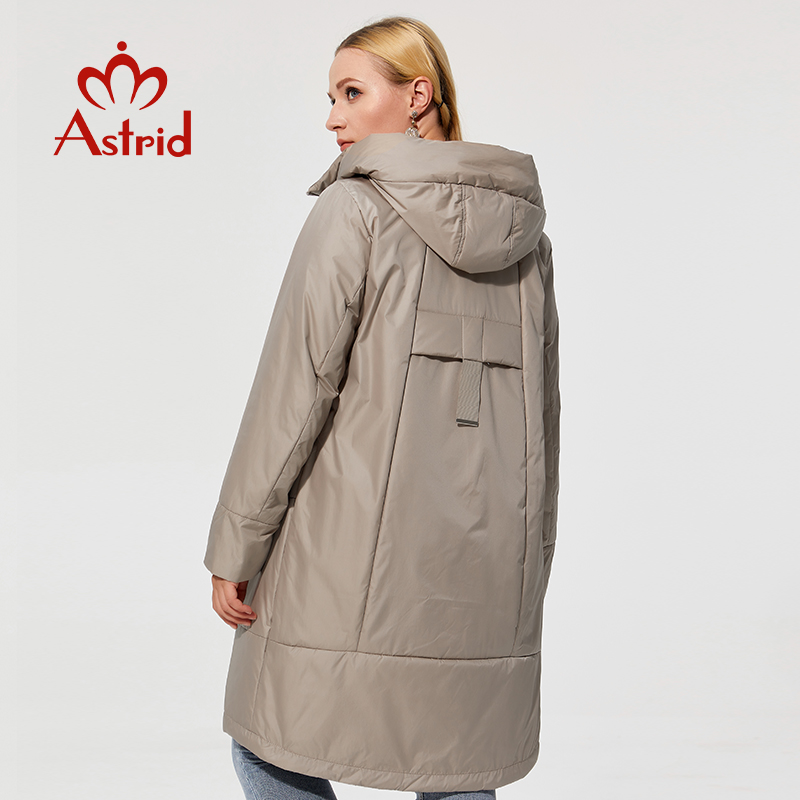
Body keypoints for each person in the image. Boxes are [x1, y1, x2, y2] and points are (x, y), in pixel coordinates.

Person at [204, 15, 560, 800]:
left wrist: (238, 543)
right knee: (458, 766)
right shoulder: (527, 241)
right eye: (332, 98)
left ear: (417, 96)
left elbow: (295, 392)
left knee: (268, 747)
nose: (333, 117)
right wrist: (534, 560)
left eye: (351, 92)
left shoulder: (353, 210)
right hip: (485, 568)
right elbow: (543, 424)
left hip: (341, 558)